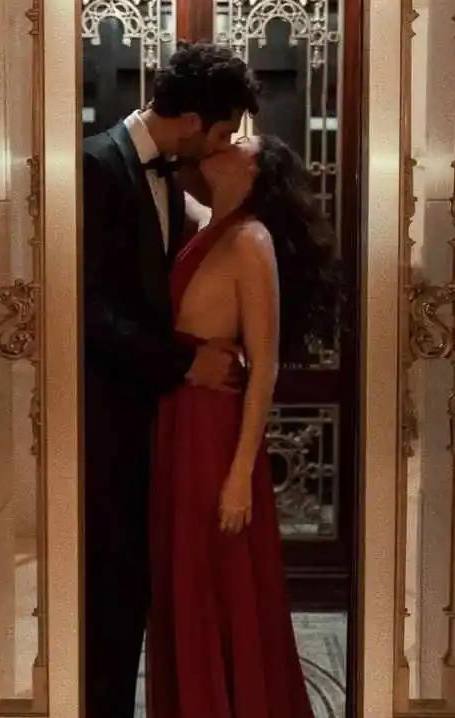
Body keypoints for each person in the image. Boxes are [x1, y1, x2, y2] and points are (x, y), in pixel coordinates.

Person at [83, 42, 260, 718]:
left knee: (142, 584)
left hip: (156, 418)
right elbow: (89, 309)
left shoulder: (172, 179)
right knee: (113, 591)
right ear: (190, 121)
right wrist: (185, 363)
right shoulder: (97, 166)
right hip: (110, 421)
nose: (224, 146)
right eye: (222, 132)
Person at [147, 133, 344, 718]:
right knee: (185, 575)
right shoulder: (206, 226)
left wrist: (239, 475)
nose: (227, 143)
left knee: (217, 578)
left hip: (215, 435)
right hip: (178, 421)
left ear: (256, 172)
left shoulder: (252, 239)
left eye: (241, 143)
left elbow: (265, 365)